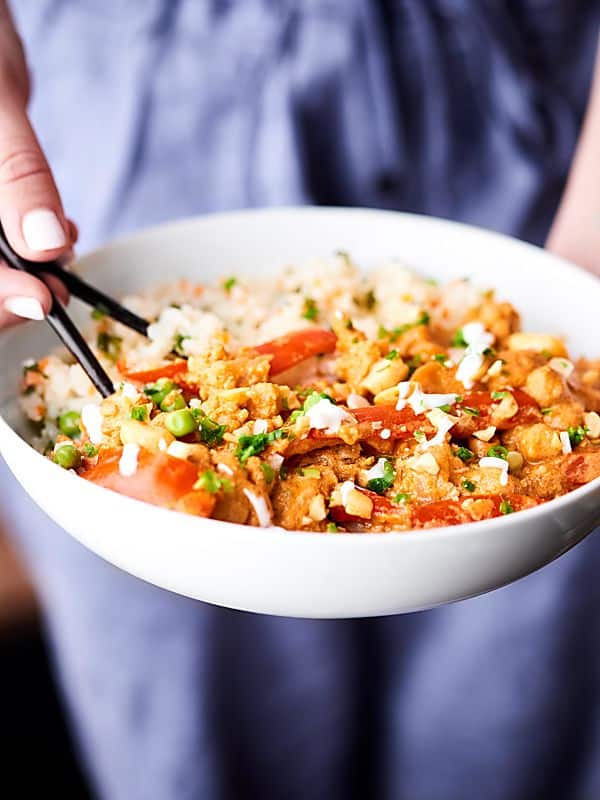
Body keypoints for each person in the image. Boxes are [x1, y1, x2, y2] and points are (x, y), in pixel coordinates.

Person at [1, 2, 599, 798]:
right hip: (125, 99)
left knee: (505, 719)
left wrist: (584, 274)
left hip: (525, 110)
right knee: (193, 739)